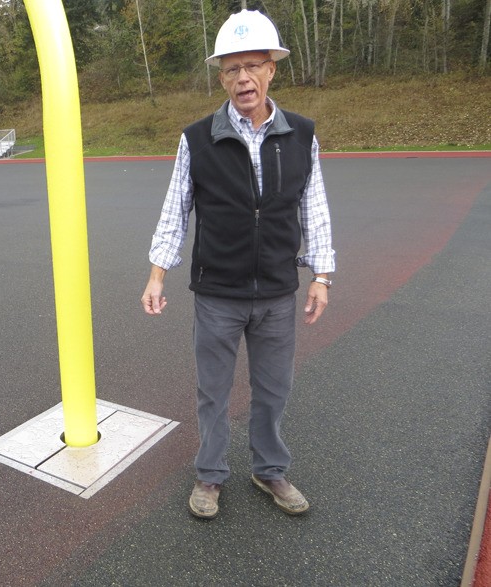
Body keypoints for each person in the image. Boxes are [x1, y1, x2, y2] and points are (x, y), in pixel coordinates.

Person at [141, 9, 335, 520]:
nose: (243, 78)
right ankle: (210, 474)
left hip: (275, 291)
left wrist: (322, 276)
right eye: (231, 69)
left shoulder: (301, 136)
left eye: (253, 65)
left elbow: (314, 207)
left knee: (274, 388)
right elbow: (174, 207)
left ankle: (269, 469)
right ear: (221, 76)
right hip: (218, 293)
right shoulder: (196, 138)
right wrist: (158, 272)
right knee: (213, 391)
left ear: (272, 68)